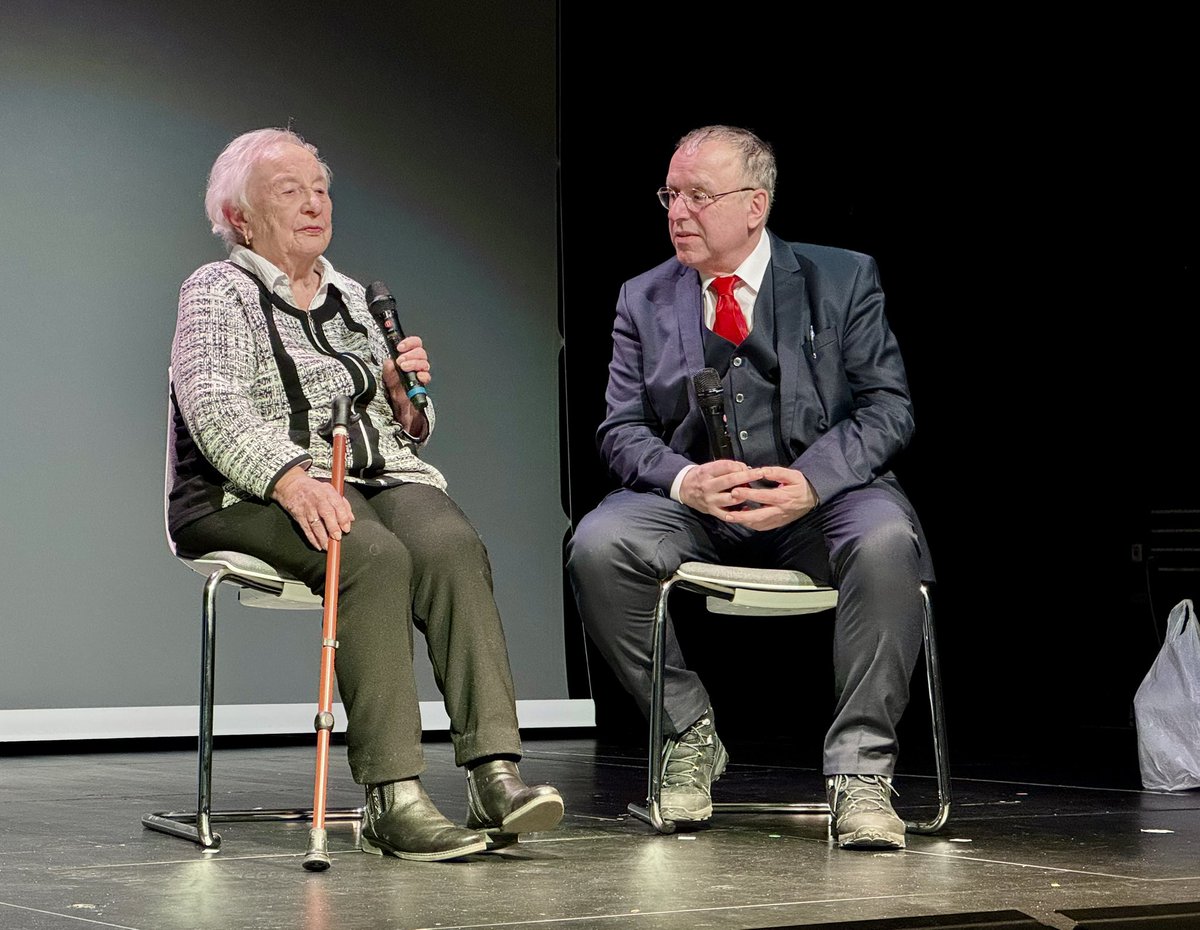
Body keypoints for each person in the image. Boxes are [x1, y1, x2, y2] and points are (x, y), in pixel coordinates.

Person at [168, 127, 563, 862]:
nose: (315, 203)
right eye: (291, 191)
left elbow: (404, 431)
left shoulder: (355, 298)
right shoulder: (217, 291)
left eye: (320, 189)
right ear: (241, 216)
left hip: (372, 479)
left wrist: (406, 401)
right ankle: (393, 797)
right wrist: (290, 478)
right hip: (245, 492)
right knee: (372, 555)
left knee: (449, 543)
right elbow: (215, 409)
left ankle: (495, 775)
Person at [566, 125, 933, 850]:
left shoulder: (841, 278)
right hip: (700, 511)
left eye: (698, 196)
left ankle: (861, 773)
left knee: (889, 539)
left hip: (820, 506)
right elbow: (620, 428)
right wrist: (684, 478)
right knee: (600, 545)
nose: (677, 211)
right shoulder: (643, 297)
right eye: (670, 194)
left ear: (754, 205)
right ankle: (687, 732)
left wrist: (810, 481)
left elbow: (889, 407)